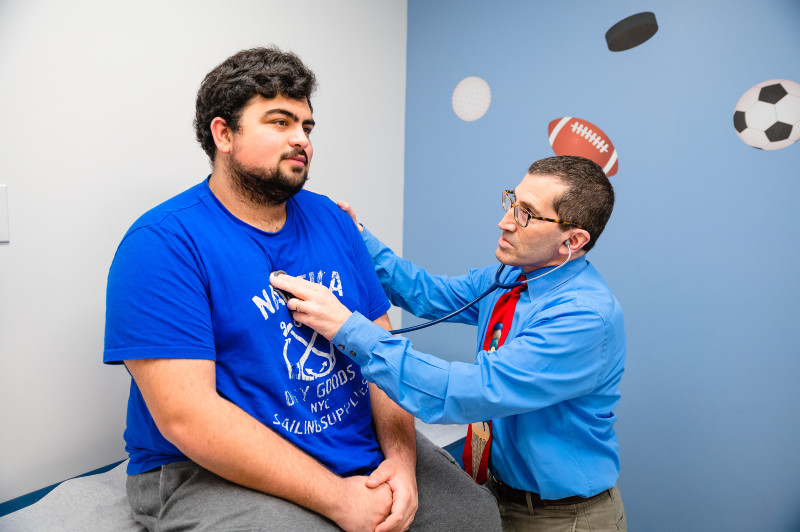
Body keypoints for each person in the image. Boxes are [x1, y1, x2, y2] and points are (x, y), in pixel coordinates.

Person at [103, 46, 500, 532]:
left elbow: (383, 353)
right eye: (279, 122)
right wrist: (338, 499)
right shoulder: (162, 244)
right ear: (224, 134)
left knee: (473, 516)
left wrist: (401, 460)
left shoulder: (333, 220)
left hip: (350, 441)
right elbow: (188, 417)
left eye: (307, 127)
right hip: (202, 469)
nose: (301, 140)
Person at [271, 155, 628, 531]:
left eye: (526, 214)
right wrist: (358, 237)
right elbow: (428, 293)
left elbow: (466, 391)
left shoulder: (585, 318)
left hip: (564, 518)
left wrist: (347, 328)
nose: (504, 222)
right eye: (512, 202)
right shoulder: (513, 276)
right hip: (500, 494)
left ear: (571, 241)